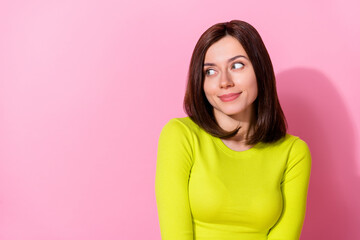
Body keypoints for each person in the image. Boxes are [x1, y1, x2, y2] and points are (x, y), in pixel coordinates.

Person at [155, 20, 311, 240]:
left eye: (237, 66)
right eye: (210, 71)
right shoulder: (180, 135)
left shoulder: (293, 152)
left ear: (260, 70)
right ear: (200, 82)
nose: (224, 82)